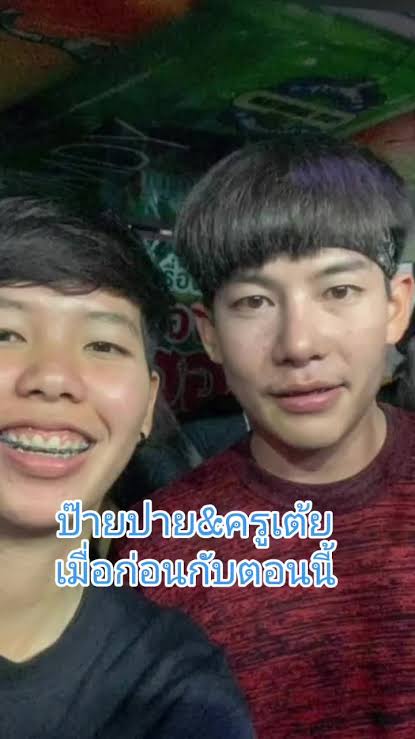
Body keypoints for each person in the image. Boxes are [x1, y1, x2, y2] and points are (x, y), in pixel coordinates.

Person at [113, 135, 415, 738]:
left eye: (338, 291)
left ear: (395, 306)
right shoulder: (162, 554)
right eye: (254, 301)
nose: (298, 344)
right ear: (210, 333)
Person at [0, 197, 254, 739]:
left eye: (102, 344)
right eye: (6, 334)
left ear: (147, 407)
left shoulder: (175, 692)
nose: (53, 378)